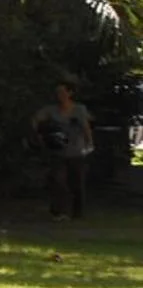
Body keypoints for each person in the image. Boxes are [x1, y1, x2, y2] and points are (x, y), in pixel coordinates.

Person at [32, 81, 93, 220]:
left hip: (76, 150)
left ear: (70, 93)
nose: (60, 95)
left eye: (63, 92)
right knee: (58, 180)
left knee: (77, 183)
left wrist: (89, 143)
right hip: (58, 151)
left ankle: (77, 212)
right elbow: (36, 119)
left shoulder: (79, 109)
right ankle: (59, 211)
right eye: (58, 92)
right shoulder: (51, 110)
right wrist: (40, 134)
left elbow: (86, 127)